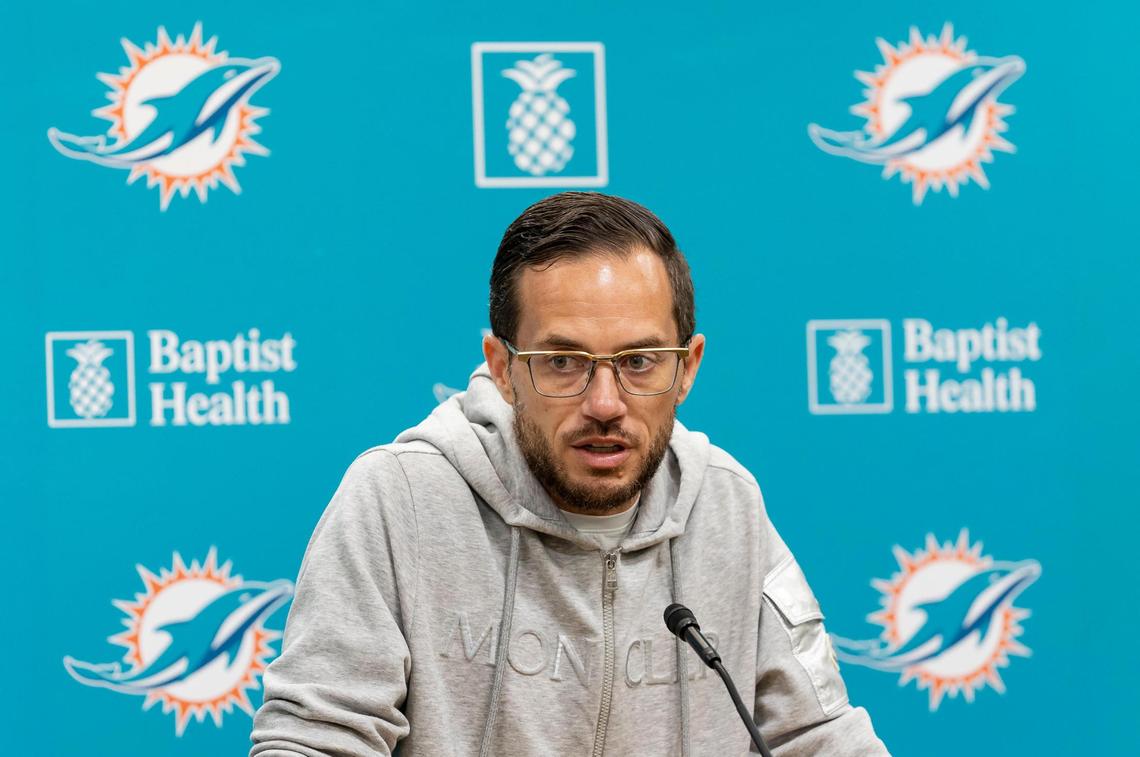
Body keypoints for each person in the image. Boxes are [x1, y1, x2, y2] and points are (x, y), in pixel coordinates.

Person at [250, 192, 889, 756]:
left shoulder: (727, 507)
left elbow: (818, 737)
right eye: (562, 361)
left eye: (639, 361)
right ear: (502, 368)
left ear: (687, 367)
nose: (605, 403)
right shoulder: (399, 501)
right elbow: (317, 740)